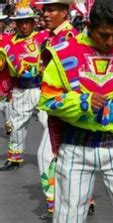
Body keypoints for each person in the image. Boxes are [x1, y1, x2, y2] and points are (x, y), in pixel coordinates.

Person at [38, 0, 113, 221]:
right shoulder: (64, 53)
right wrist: (81, 102)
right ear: (89, 25)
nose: (110, 41)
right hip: (76, 148)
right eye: (104, 34)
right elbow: (48, 100)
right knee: (68, 217)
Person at [32, 0, 80, 219]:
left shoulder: (69, 37)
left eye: (51, 10)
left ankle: (54, 201)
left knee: (47, 154)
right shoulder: (53, 36)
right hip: (53, 101)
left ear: (64, 12)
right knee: (67, 152)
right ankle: (78, 198)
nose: (46, 15)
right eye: (45, 11)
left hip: (64, 104)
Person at [0, 0, 49, 171]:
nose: (24, 26)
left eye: (27, 22)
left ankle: (57, 155)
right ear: (16, 23)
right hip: (21, 89)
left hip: (44, 88)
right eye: (20, 22)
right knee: (17, 124)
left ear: (33, 22)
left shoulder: (43, 37)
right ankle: (15, 157)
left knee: (49, 123)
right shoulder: (8, 43)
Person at [0, 11, 12, 135]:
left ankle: (9, 122)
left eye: (0, 22)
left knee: (6, 105)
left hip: (5, 77)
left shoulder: (9, 39)